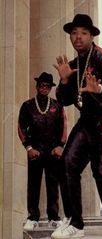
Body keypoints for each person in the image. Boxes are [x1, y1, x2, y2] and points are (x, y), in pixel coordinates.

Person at [51, 14, 102, 238]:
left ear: (91, 36)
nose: (78, 37)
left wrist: (99, 90)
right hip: (88, 119)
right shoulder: (73, 65)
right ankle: (75, 224)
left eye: (83, 33)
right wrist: (66, 80)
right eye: (74, 33)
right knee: (67, 164)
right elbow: (65, 100)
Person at [18, 72, 68, 230]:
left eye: (47, 86)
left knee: (53, 184)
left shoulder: (57, 106)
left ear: (50, 88)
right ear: (37, 86)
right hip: (36, 150)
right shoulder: (27, 106)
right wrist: (29, 147)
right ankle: (33, 218)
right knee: (33, 184)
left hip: (53, 150)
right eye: (41, 85)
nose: (44, 88)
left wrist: (60, 146)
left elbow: (64, 127)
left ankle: (53, 217)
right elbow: (21, 127)